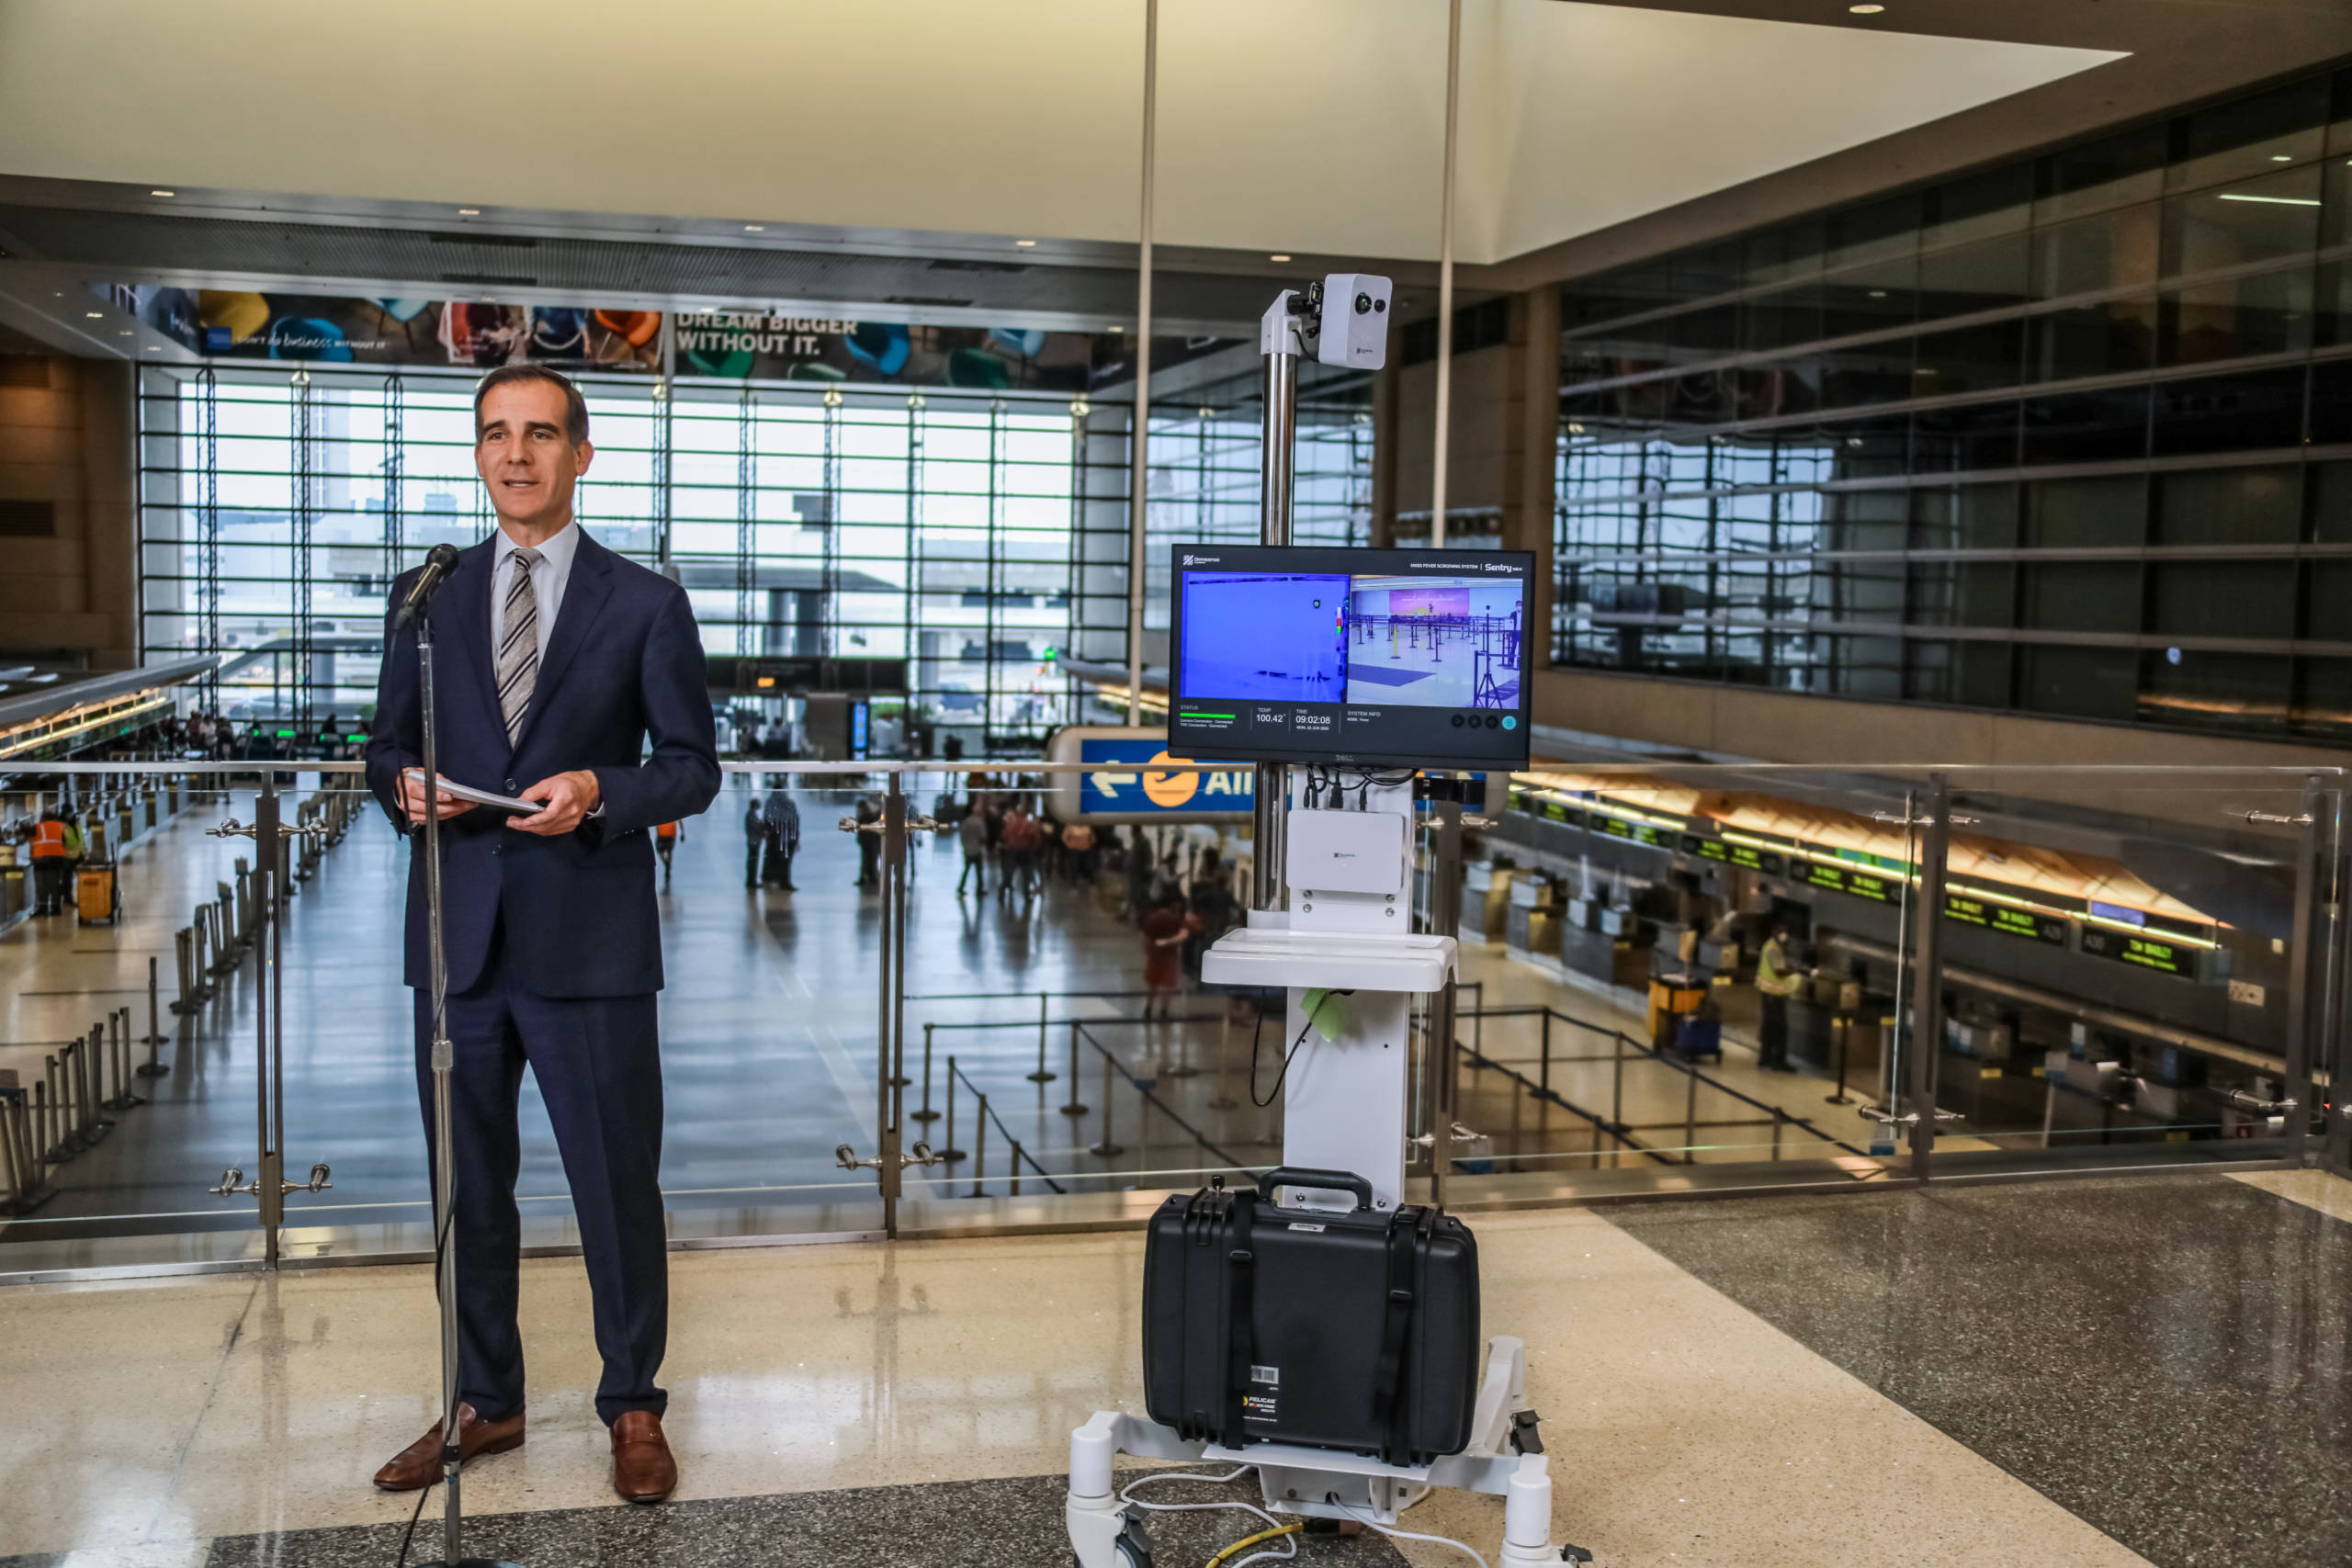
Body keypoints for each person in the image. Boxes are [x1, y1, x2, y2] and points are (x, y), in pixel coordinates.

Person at [361, 365, 718, 1506]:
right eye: (495, 435)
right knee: (469, 1188)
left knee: (615, 1183)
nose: (516, 455)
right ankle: (486, 1399)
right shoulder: (431, 595)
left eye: (541, 435)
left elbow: (691, 769)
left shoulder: (645, 602)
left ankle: (631, 1402)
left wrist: (600, 792)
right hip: (458, 942)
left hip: (590, 942)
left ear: (582, 454)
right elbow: (381, 746)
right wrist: (403, 788)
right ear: (478, 454)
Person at [1140, 888, 1197, 1021]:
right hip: (1170, 957)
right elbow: (1184, 934)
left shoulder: (1153, 917)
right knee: (1167, 986)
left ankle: (1148, 1008)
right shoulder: (1176, 918)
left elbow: (1144, 936)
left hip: (1154, 956)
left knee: (1152, 984)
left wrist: (1148, 951)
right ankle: (1163, 1011)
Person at [1755, 924, 1802, 1073]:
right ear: (1774, 933)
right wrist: (1795, 971)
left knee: (1768, 1027)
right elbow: (1779, 972)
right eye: (1781, 932)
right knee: (1780, 1028)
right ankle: (1778, 1061)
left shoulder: (1770, 946)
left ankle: (1765, 1058)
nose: (1784, 935)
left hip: (1767, 993)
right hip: (1774, 995)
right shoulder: (1773, 949)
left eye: (1785, 932)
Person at [28, 808, 72, 917]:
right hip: (57, 859)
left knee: (41, 884)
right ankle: (55, 909)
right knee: (55, 883)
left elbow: (28, 840)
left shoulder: (38, 827)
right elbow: (67, 842)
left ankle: (42, 908)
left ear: (43, 818)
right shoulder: (61, 826)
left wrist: (32, 855)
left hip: (41, 859)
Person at [763, 781, 799, 889]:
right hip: (787, 836)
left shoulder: (770, 802)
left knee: (772, 858)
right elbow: (794, 820)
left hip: (775, 835)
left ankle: (771, 879)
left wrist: (767, 833)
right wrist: (796, 837)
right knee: (785, 860)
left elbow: (767, 818)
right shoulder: (790, 803)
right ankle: (784, 881)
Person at [956, 802, 989, 897]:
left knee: (966, 869)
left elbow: (962, 835)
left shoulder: (966, 822)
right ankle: (979, 889)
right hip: (977, 850)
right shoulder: (980, 822)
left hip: (967, 850)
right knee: (979, 871)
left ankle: (961, 887)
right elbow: (983, 836)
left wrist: (965, 845)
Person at [854, 795, 882, 888]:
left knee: (870, 858)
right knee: (869, 858)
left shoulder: (873, 812)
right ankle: (869, 877)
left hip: (872, 839)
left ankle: (871, 877)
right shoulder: (876, 812)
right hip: (870, 839)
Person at [742, 795, 769, 889]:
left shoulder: (751, 814)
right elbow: (756, 827)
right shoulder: (751, 815)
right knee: (753, 861)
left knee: (753, 860)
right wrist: (763, 832)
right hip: (754, 841)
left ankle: (751, 880)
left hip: (753, 840)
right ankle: (751, 881)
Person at [1062, 818, 1097, 884]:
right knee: (1074, 867)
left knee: (1090, 866)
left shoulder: (1087, 826)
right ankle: (1073, 884)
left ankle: (1091, 881)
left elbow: (1093, 838)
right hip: (1074, 850)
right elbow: (1064, 838)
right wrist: (1070, 845)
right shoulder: (1070, 826)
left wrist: (1091, 843)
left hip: (1086, 850)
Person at [654, 818, 679, 889]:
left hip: (665, 836)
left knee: (664, 852)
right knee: (667, 852)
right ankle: (667, 864)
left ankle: (667, 864)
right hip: (667, 836)